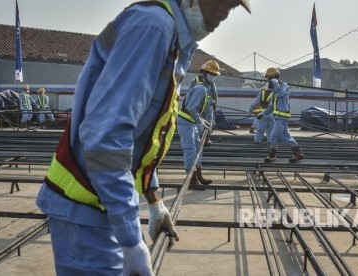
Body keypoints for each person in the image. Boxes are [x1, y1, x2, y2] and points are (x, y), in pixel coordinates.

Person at [35, 0, 251, 275]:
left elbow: (144, 136)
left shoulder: (172, 40)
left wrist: (154, 200)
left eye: (231, 6)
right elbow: (106, 137)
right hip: (86, 205)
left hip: (100, 202)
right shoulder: (153, 28)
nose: (223, 12)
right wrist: (131, 239)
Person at [178, 60, 222, 190]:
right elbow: (191, 107)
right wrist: (200, 121)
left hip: (191, 123)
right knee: (190, 150)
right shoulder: (201, 88)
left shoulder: (205, 88)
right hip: (185, 123)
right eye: (212, 74)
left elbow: (201, 108)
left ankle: (198, 176)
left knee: (198, 149)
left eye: (215, 75)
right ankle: (191, 180)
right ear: (205, 73)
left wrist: (203, 121)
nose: (213, 77)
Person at [259, 67, 305, 163]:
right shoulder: (275, 91)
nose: (269, 81)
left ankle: (272, 156)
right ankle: (298, 154)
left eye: (269, 79)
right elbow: (272, 106)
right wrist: (263, 113)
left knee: (273, 136)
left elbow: (280, 93)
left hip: (282, 117)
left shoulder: (284, 85)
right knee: (286, 137)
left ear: (275, 77)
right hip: (279, 118)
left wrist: (275, 82)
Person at [193, 61, 218, 146]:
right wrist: (215, 105)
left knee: (197, 120)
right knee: (208, 122)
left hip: (197, 104)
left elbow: (190, 92)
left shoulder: (195, 80)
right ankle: (207, 139)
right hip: (209, 103)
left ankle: (197, 139)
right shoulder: (211, 81)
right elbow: (215, 94)